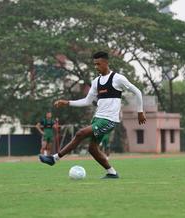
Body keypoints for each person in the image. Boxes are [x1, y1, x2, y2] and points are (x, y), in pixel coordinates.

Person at [39, 51, 146, 179]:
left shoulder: (118, 79)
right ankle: (112, 173)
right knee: (92, 149)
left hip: (109, 120)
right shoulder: (96, 82)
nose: (96, 67)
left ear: (106, 63)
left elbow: (137, 92)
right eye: (94, 64)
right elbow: (87, 101)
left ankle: (54, 158)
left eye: (98, 64)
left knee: (80, 133)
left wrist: (140, 112)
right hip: (97, 119)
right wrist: (67, 102)